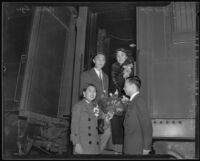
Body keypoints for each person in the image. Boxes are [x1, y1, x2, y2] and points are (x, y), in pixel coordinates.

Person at [80, 52, 111, 152]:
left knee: (107, 132)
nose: (101, 61)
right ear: (94, 61)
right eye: (98, 59)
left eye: (103, 59)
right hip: (91, 109)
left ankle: (96, 153)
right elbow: (83, 92)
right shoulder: (86, 74)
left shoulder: (106, 77)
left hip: (103, 110)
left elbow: (105, 94)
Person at [70, 83, 113, 154]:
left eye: (94, 91)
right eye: (90, 90)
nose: (92, 93)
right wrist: (76, 143)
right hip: (83, 145)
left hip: (95, 147)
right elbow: (74, 127)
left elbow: (100, 128)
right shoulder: (78, 106)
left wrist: (107, 119)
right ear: (84, 93)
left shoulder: (96, 107)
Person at [109, 48, 134, 152]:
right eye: (118, 55)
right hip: (115, 100)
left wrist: (127, 97)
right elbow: (112, 85)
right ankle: (117, 151)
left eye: (122, 55)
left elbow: (134, 86)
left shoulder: (131, 68)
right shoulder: (114, 68)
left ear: (126, 56)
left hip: (126, 101)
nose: (119, 57)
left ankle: (126, 151)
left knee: (126, 127)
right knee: (115, 126)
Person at [123, 76, 152, 155]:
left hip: (136, 149)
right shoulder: (133, 101)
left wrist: (146, 147)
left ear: (133, 87)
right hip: (131, 147)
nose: (123, 88)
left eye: (125, 86)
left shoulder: (139, 101)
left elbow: (147, 126)